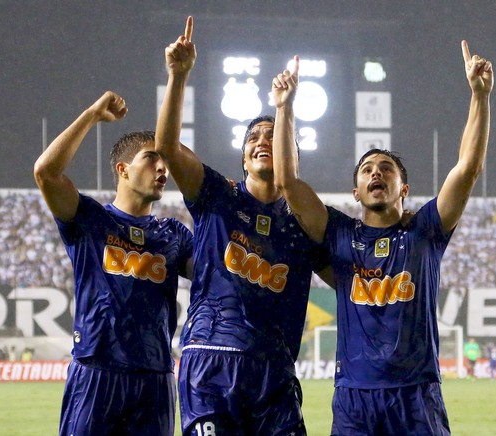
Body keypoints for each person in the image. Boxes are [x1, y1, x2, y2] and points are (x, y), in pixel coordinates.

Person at [272, 41, 492, 434]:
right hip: (355, 396)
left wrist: (479, 96)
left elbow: (468, 168)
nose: (376, 173)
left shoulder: (425, 230)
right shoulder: (338, 233)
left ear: (403, 187)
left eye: (386, 168)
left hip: (416, 394)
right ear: (356, 191)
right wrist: (285, 108)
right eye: (367, 169)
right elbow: (287, 182)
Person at [155, 17, 326, 435]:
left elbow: (354, 277)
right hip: (211, 360)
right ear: (244, 160)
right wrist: (178, 78)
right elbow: (168, 149)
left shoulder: (308, 224)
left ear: (293, 161)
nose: (263, 140)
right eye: (254, 138)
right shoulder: (219, 196)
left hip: (275, 372)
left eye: (274, 136)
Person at [33, 91, 193, 436]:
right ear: (123, 169)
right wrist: (91, 115)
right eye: (152, 158)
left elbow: (217, 274)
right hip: (96, 369)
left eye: (165, 160)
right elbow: (46, 172)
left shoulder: (173, 233)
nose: (163, 167)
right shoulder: (90, 220)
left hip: (155, 376)